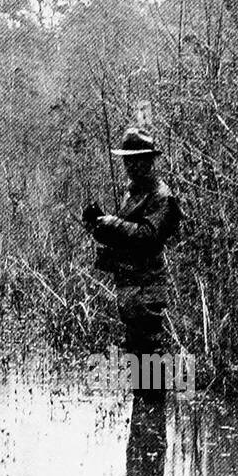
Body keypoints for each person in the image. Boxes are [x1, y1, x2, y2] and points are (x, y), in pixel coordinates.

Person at [82, 126, 181, 385]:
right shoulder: (134, 191)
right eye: (128, 159)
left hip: (147, 287)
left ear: (150, 160)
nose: (131, 165)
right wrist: (99, 226)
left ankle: (152, 417)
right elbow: (127, 236)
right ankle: (145, 421)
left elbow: (148, 236)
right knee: (138, 355)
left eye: (137, 159)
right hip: (130, 286)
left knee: (149, 356)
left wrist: (112, 223)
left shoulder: (162, 196)